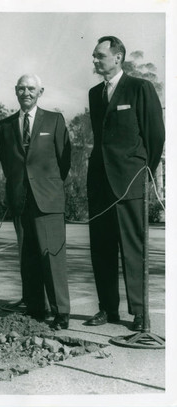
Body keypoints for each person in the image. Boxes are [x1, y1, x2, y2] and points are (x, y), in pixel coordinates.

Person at [85, 36, 165, 331]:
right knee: (101, 247)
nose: (94, 60)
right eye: (94, 56)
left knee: (133, 249)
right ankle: (108, 308)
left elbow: (155, 135)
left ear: (117, 57)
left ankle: (140, 312)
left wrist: (144, 172)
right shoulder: (95, 93)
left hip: (129, 182)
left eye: (99, 55)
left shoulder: (140, 88)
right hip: (100, 183)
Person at [0, 74, 71, 330]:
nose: (26, 92)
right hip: (20, 199)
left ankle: (61, 311)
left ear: (41, 91)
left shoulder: (54, 120)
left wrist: (47, 185)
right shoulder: (5, 125)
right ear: (15, 91)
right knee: (27, 257)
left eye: (31, 88)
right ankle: (35, 308)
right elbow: (7, 162)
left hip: (47, 199)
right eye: (21, 88)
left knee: (52, 257)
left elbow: (65, 160)